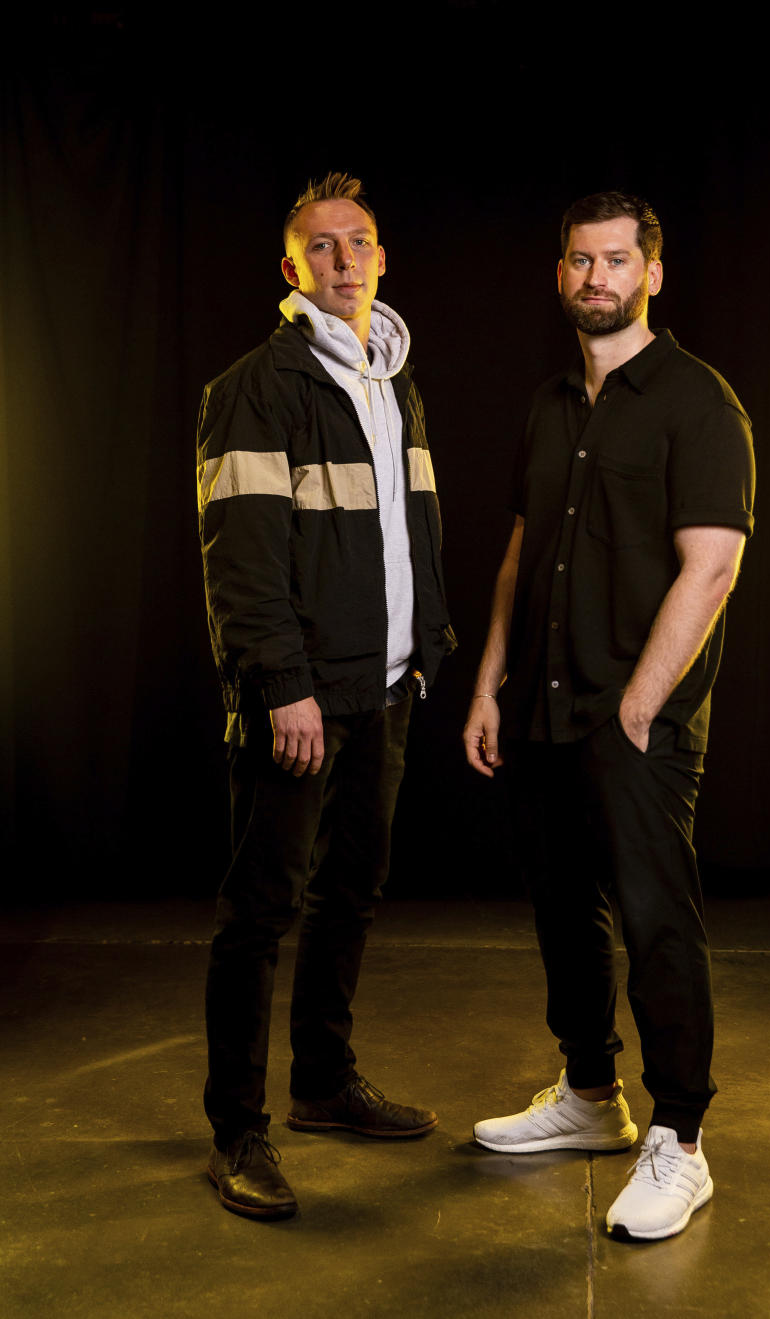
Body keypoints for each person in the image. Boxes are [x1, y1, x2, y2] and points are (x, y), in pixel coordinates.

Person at [463, 190, 755, 1241]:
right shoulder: (549, 403)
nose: (597, 278)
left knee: (655, 920)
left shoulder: (699, 400)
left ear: (652, 273)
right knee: (562, 909)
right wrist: (490, 679)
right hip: (540, 700)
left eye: (617, 260)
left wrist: (639, 700)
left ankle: (679, 1137)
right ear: (561, 275)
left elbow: (712, 562)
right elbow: (518, 550)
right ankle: (592, 1094)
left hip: (635, 718)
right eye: (581, 262)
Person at [197, 171, 455, 1220]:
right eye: (322, 246)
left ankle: (319, 1084)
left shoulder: (395, 382)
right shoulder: (257, 386)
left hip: (389, 686)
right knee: (260, 913)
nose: (343, 261)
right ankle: (235, 1129)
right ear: (291, 268)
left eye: (359, 242)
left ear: (382, 259)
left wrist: (427, 645)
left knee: (351, 892)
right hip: (301, 703)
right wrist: (283, 687)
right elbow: (242, 561)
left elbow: (415, 530)